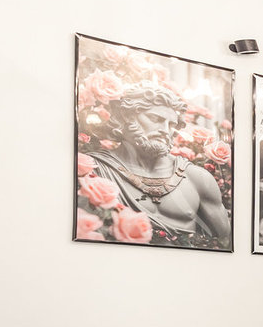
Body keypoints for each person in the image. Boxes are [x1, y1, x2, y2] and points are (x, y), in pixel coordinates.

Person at [84, 80, 229, 247]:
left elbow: (225, 241)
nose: (165, 130)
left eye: (172, 124)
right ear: (126, 115)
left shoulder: (197, 178)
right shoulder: (94, 168)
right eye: (155, 119)